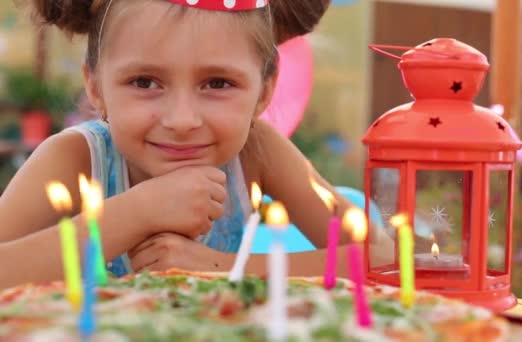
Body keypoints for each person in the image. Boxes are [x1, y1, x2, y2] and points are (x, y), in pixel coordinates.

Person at [0, 0, 391, 290]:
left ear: (264, 90)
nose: (182, 120)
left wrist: (220, 266)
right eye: (144, 82)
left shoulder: (257, 152)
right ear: (96, 86)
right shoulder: (75, 160)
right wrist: (136, 213)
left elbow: (385, 259)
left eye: (217, 83)